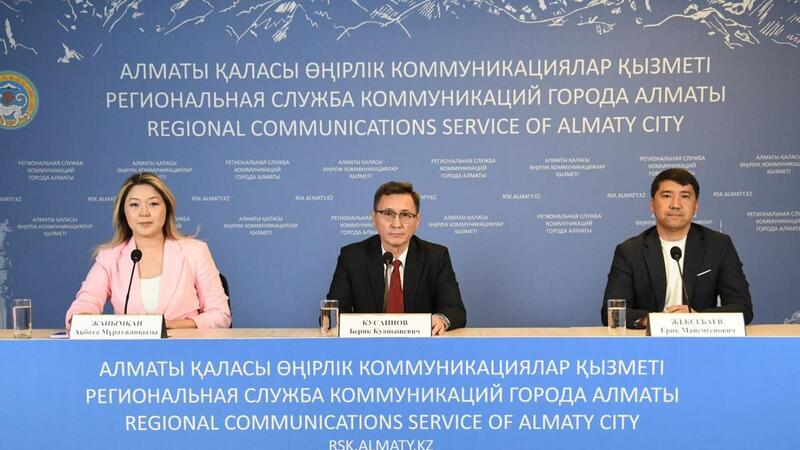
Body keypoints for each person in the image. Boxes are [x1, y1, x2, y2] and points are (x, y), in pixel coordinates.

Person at [65, 172, 231, 329]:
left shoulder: (195, 252)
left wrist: (172, 325)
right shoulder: (109, 257)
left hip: (184, 347)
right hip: (130, 349)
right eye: (134, 205)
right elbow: (86, 302)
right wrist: (82, 320)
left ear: (167, 209)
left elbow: (220, 315)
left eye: (153, 204)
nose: (144, 213)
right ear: (124, 212)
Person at [602, 168, 753, 328]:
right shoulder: (630, 251)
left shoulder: (719, 245)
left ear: (696, 206)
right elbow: (611, 314)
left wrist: (698, 318)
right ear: (652, 205)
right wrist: (655, 321)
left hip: (700, 338)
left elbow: (743, 308)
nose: (675, 205)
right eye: (667, 196)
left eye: (685, 196)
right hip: (650, 339)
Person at [327, 181, 466, 335]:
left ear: (417, 221)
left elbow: (455, 310)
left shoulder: (436, 256)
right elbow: (332, 314)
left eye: (405, 215)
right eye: (388, 214)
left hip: (420, 346)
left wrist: (441, 320)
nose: (397, 224)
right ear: (374, 219)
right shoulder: (352, 257)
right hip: (368, 346)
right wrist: (338, 322)